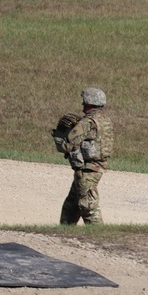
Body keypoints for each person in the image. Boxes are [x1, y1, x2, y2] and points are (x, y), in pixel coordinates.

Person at [54, 87, 114, 225]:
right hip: (94, 168)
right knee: (71, 206)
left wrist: (59, 134)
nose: (82, 105)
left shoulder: (87, 123)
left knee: (88, 207)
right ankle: (65, 234)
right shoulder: (105, 121)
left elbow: (66, 146)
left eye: (84, 102)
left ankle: (98, 238)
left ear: (88, 102)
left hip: (87, 170)